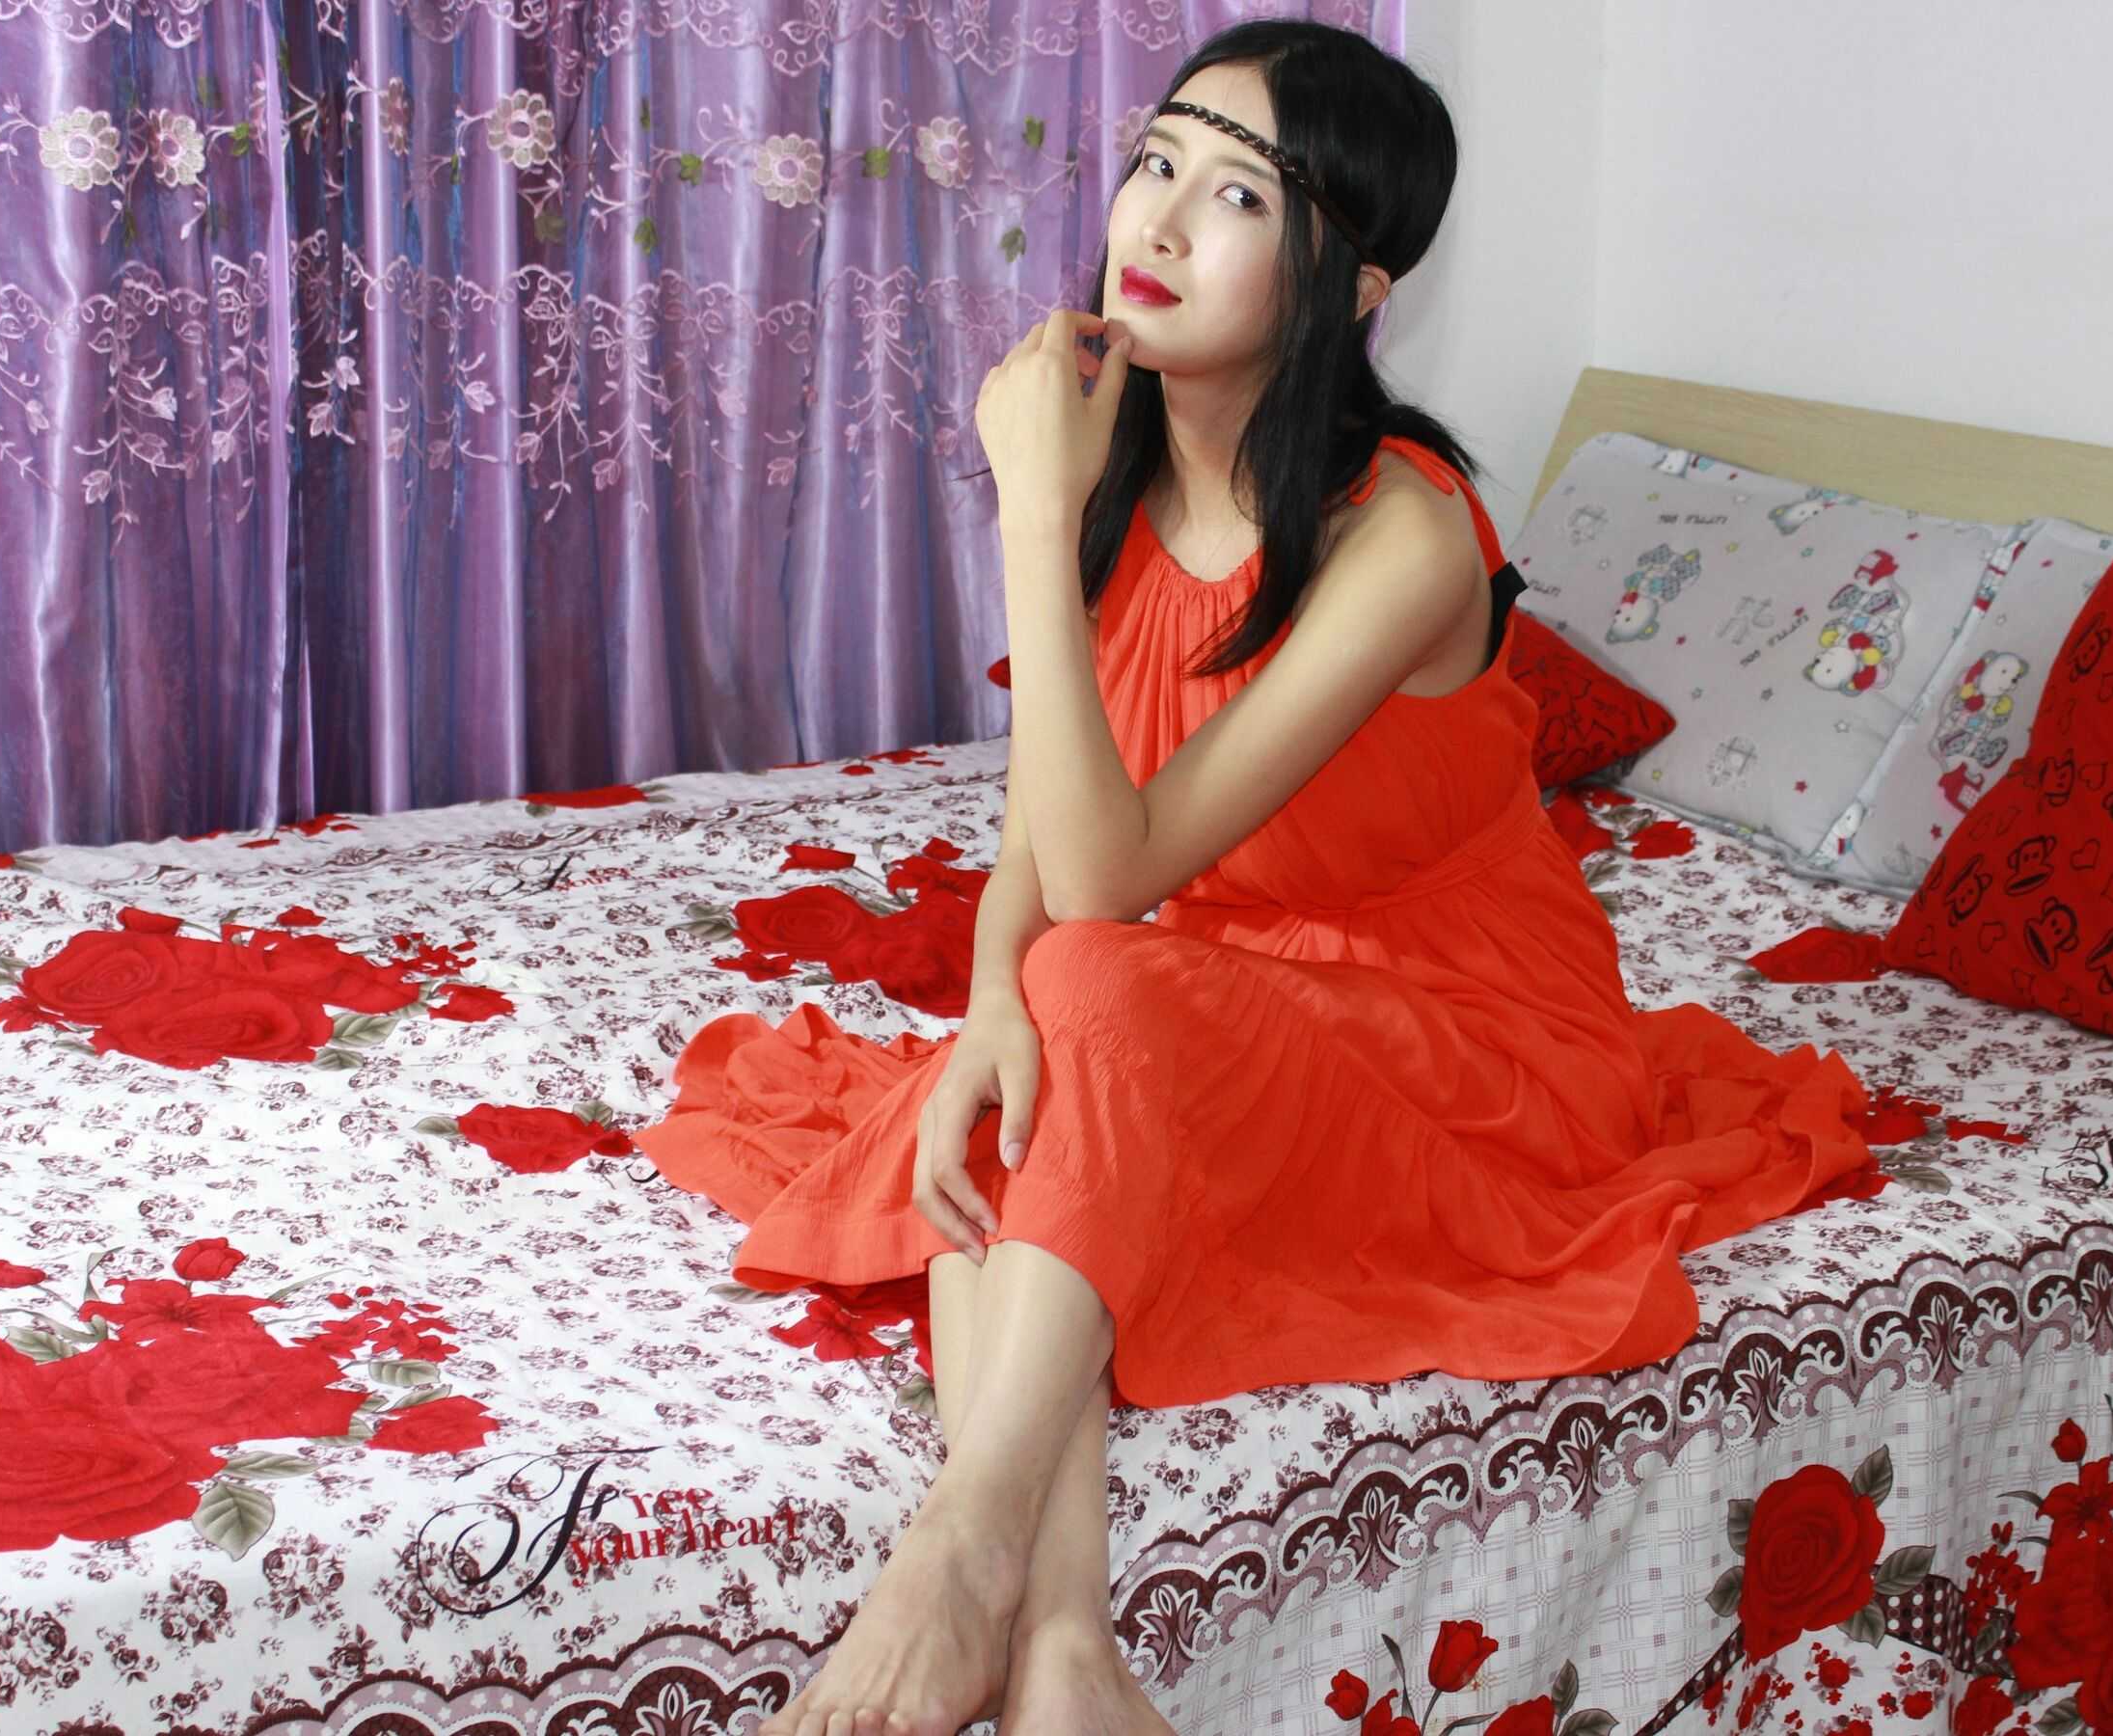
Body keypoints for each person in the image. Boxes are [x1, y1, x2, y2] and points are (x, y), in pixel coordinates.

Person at [632, 20, 1880, 1736]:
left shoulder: (1405, 534)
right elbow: (1043, 851)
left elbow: (1109, 877)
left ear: (1349, 290)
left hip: (1467, 1046)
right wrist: (991, 1005)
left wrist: (1022, 512)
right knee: (1026, 1070)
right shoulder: (1127, 475)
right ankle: (1062, 1641)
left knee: (1082, 1006)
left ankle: (958, 1553)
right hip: (1216, 986)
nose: (1154, 219)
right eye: (1156, 162)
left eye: (1235, 196)